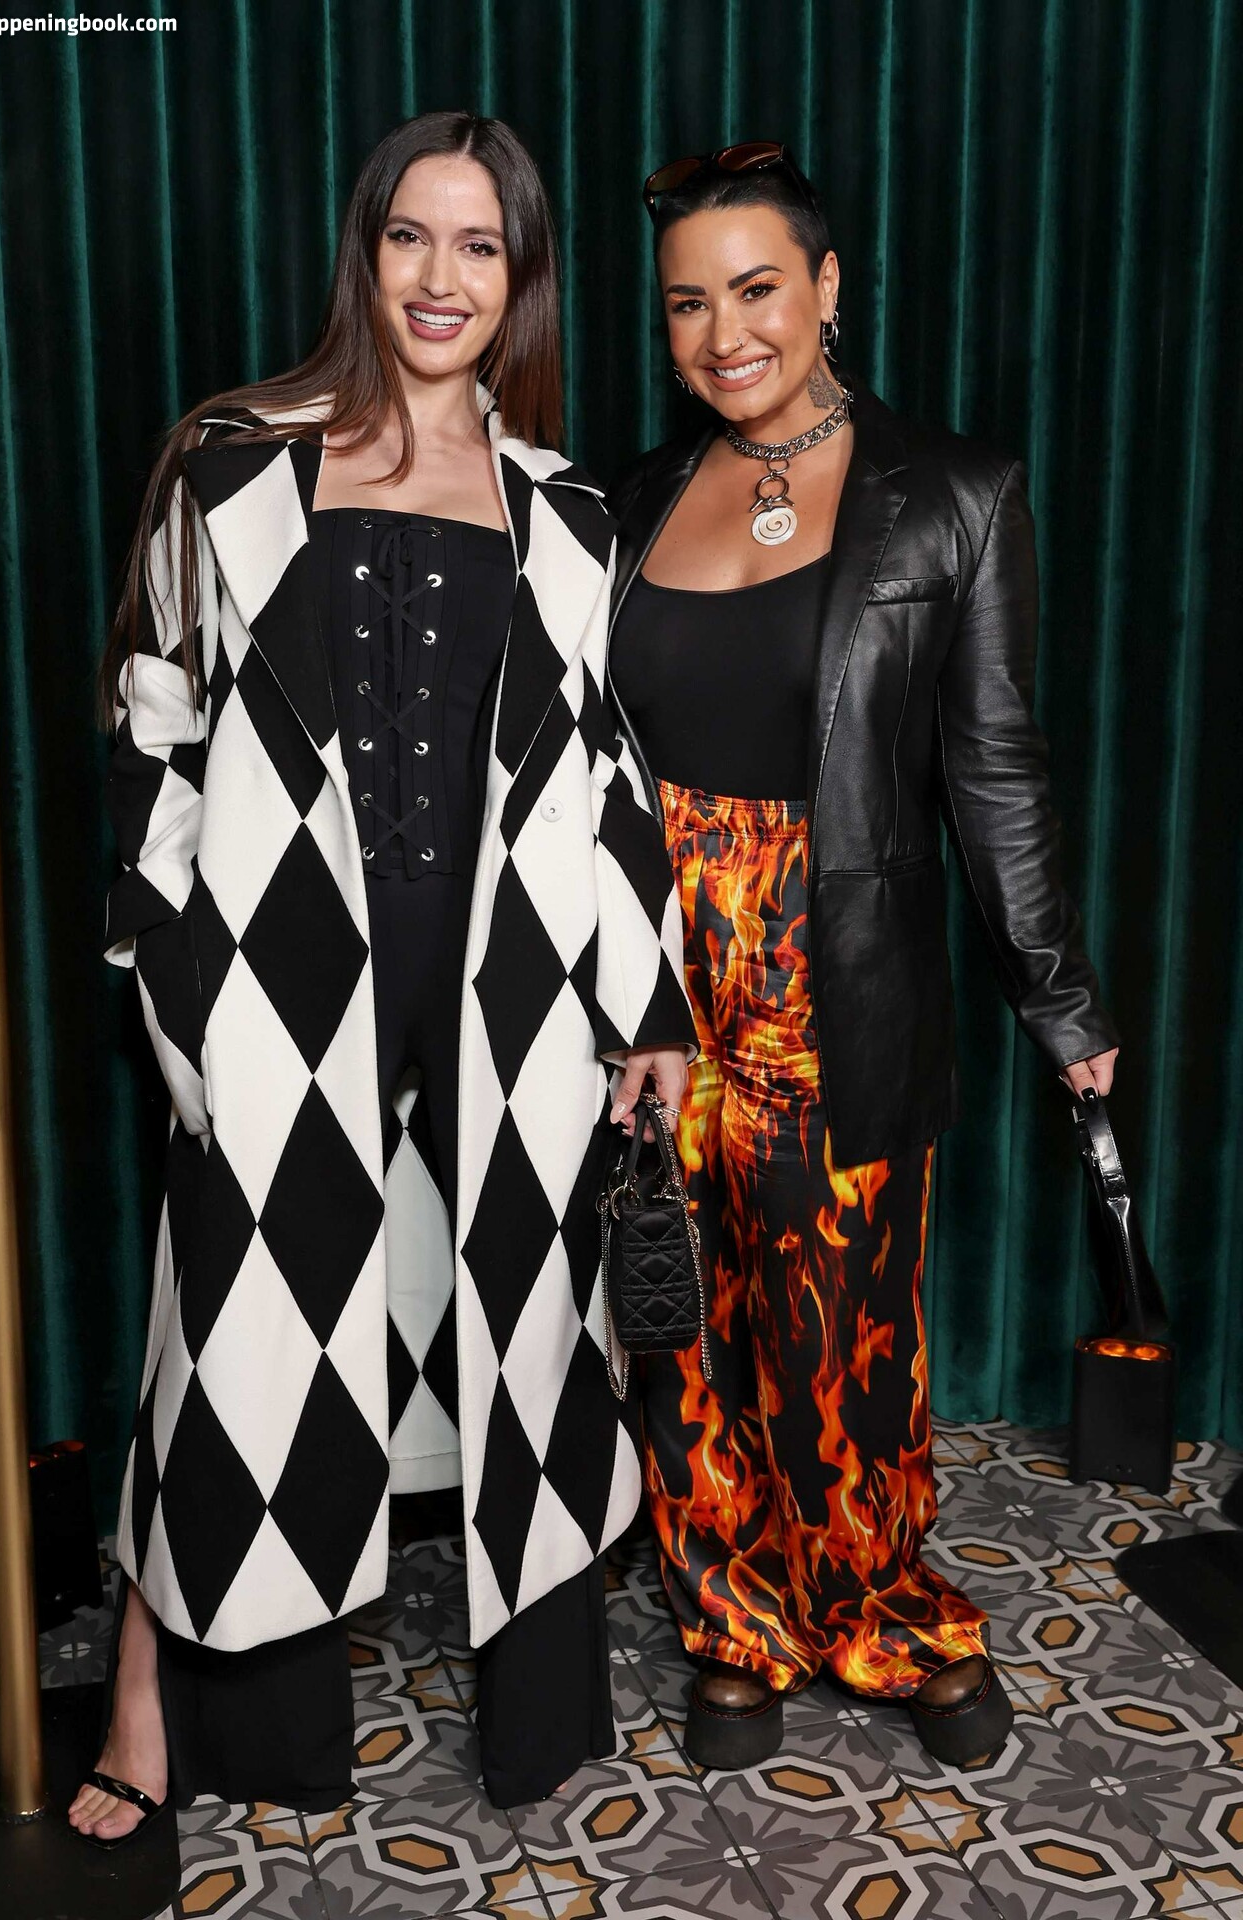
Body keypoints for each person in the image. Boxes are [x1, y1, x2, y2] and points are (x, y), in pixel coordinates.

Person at [72, 110, 693, 1844]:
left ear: (521, 278)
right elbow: (149, 730)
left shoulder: (565, 507)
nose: (441, 277)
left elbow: (607, 770)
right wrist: (171, 972)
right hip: (277, 976)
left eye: (480, 246)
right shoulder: (230, 467)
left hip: (515, 983)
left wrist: (644, 1002)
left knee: (530, 1325)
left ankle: (540, 1709)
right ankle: (165, 1702)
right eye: (412, 236)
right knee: (239, 1331)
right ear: (366, 251)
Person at [606, 142, 1119, 1771]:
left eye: (758, 289)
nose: (724, 333)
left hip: (839, 969)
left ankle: (882, 1610)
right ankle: (731, 1619)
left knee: (842, 1336)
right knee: (680, 1320)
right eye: (688, 303)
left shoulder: (953, 493)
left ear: (827, 288)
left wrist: (1059, 997)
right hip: (647, 979)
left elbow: (995, 765)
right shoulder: (622, 502)